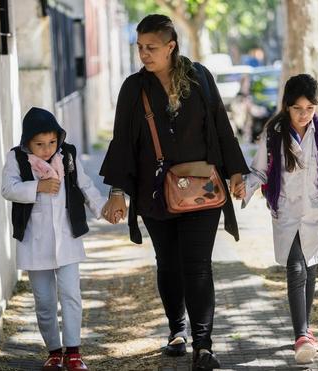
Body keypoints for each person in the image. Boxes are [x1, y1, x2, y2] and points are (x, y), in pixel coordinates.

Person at [99, 14, 249, 371]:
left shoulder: (199, 78)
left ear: (171, 46)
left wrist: (236, 173)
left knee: (197, 266)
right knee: (168, 264)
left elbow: (221, 128)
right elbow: (122, 142)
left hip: (202, 190)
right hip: (154, 193)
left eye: (151, 47)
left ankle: (204, 345)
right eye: (139, 47)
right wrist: (118, 191)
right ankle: (176, 331)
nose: (144, 54)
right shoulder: (133, 88)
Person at [242, 74, 318, 364]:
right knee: (296, 267)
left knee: (311, 268)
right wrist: (246, 187)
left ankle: (306, 330)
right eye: (297, 108)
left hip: (316, 213)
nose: (304, 115)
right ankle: (301, 334)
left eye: (309, 108)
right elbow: (260, 171)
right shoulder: (274, 133)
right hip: (287, 213)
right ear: (286, 106)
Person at [1, 107, 106, 371]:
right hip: (34, 243)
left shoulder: (67, 154)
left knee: (71, 295)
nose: (47, 149)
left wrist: (103, 208)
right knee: (45, 301)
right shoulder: (17, 159)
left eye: (51, 142)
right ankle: (54, 352)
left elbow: (85, 185)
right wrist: (37, 186)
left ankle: (73, 352)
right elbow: (8, 189)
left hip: (67, 238)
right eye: (39, 144)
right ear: (27, 142)